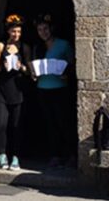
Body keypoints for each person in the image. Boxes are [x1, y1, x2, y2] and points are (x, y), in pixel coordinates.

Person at [32, 14, 74, 169]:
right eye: (40, 29)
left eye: (45, 29)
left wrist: (67, 74)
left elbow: (73, 64)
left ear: (51, 29)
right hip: (43, 89)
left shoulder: (63, 45)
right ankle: (54, 155)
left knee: (63, 123)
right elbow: (33, 67)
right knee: (50, 124)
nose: (43, 32)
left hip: (60, 89)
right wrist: (34, 74)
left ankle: (70, 154)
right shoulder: (38, 48)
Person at [0, 14, 30, 170]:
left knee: (16, 126)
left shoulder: (24, 47)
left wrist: (21, 67)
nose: (16, 35)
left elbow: (28, 70)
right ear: (8, 31)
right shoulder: (1, 46)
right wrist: (2, 66)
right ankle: (2, 154)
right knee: (0, 124)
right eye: (14, 31)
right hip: (2, 91)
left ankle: (15, 156)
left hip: (17, 91)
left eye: (19, 32)